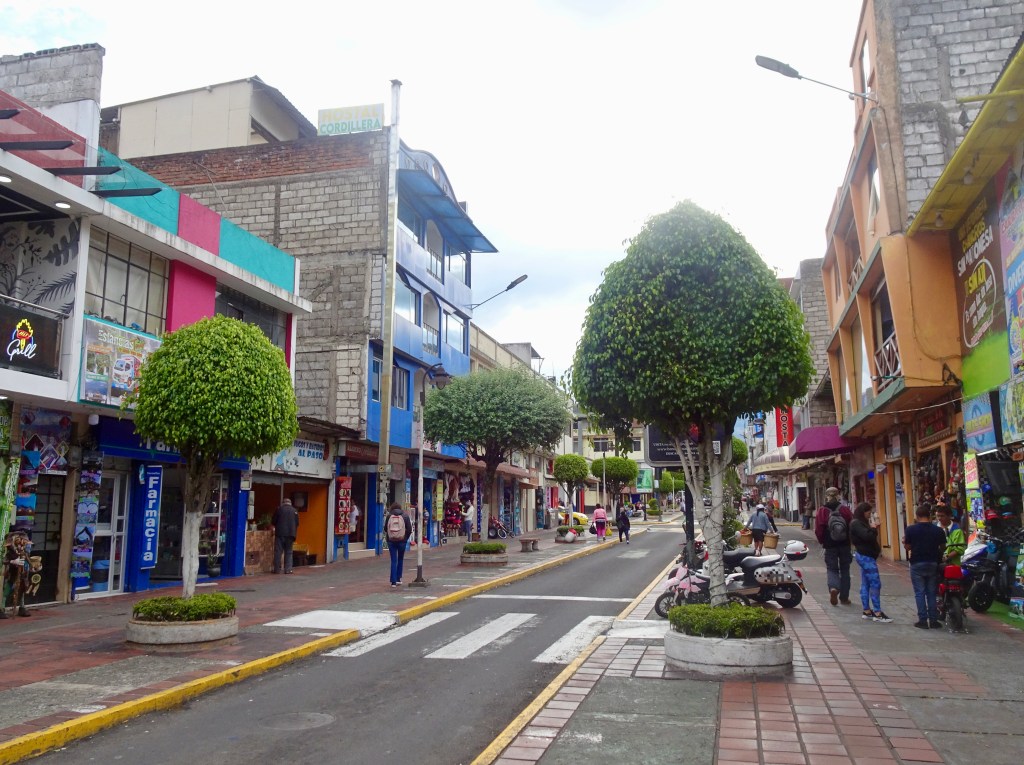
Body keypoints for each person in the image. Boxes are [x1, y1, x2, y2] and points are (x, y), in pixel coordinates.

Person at [903, 503, 947, 628]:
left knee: (920, 592)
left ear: (917, 516)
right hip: (932, 563)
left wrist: (906, 544)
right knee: (931, 592)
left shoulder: (910, 529)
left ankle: (922, 620)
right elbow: (943, 547)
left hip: (917, 562)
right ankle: (933, 620)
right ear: (929, 516)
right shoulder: (938, 530)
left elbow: (908, 547)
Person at [849, 502, 891, 623]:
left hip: (865, 555)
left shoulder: (858, 523)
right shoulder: (857, 523)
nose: (870, 515)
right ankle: (877, 612)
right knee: (875, 583)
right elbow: (867, 537)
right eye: (869, 512)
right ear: (863, 512)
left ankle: (867, 610)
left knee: (866, 583)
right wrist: (873, 528)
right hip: (866, 556)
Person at [815, 486, 853, 606]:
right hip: (844, 544)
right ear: (838, 496)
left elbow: (818, 530)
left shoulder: (822, 511)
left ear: (826, 496)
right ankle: (844, 597)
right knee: (845, 569)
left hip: (830, 544)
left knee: (832, 569)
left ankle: (833, 588)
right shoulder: (845, 510)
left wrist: (822, 541)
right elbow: (851, 526)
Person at [385, 502, 412, 587]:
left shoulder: (389, 516)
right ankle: (398, 579)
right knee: (400, 559)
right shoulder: (405, 516)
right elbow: (409, 529)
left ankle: (393, 582)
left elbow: (385, 528)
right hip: (402, 540)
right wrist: (405, 538)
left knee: (393, 560)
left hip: (391, 540)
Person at [272, 496, 299, 574]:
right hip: (291, 534)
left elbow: (273, 521)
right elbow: (297, 523)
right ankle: (288, 569)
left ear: (283, 503)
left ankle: (277, 569)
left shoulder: (279, 509)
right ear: (290, 503)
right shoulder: (295, 511)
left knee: (278, 552)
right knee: (289, 552)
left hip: (280, 534)